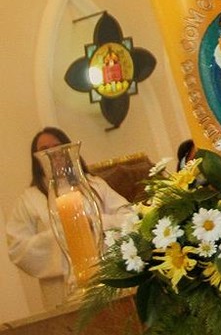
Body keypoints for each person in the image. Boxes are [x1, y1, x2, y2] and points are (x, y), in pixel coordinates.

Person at [6, 127, 131, 310]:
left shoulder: (94, 184)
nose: (52, 153)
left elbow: (129, 216)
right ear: (36, 158)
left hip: (110, 276)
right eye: (44, 149)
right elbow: (18, 248)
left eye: (57, 146)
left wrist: (96, 223)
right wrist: (62, 235)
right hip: (62, 289)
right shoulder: (29, 199)